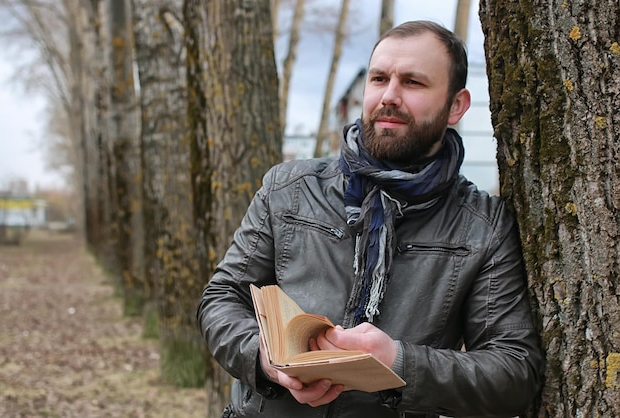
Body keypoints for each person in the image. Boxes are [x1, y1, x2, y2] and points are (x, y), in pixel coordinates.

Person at [197, 20, 543, 418]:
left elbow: (514, 371)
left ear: (456, 106)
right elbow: (220, 299)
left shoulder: (483, 225)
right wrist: (265, 358)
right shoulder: (289, 188)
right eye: (379, 78)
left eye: (413, 83)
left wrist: (398, 362)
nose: (389, 96)